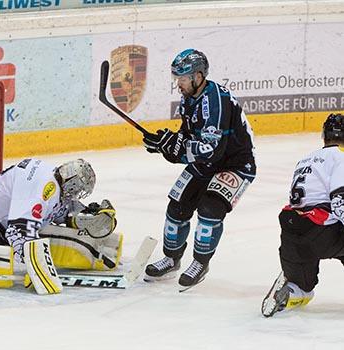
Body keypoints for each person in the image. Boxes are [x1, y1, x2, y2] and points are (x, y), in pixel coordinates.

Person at [142, 48, 256, 291]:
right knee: (177, 204)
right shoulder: (190, 96)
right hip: (208, 163)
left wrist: (176, 146)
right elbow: (189, 134)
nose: (179, 84)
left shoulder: (216, 101)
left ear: (198, 76)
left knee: (209, 208)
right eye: (177, 79)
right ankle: (172, 259)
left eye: (182, 79)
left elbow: (211, 149)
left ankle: (200, 263)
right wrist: (166, 145)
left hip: (236, 164)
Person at [0, 158, 119, 270]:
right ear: (73, 183)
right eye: (78, 189)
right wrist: (38, 266)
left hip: (0, 219)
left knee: (21, 241)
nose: (78, 193)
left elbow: (62, 213)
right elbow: (17, 234)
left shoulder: (55, 182)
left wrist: (88, 216)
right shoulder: (41, 189)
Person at [262, 113, 344, 317]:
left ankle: (292, 290)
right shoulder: (340, 158)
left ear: (324, 135)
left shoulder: (305, 159)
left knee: (304, 290)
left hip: (292, 234)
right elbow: (340, 202)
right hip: (321, 232)